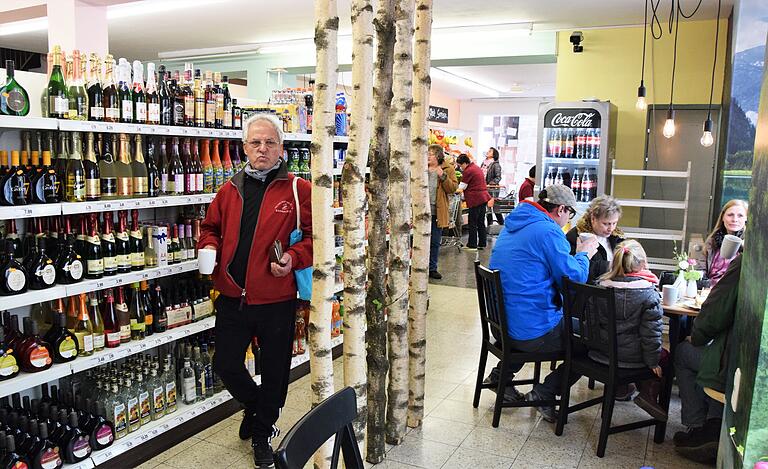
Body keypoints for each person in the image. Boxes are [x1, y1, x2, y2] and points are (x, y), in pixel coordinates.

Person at [198, 113, 313, 467]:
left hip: (276, 298)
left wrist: (293, 258)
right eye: (255, 143)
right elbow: (210, 228)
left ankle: (263, 430)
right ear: (245, 147)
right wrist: (210, 246)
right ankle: (255, 404)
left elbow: (315, 237)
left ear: (281, 148)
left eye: (270, 143)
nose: (262, 149)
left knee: (276, 371)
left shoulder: (298, 189)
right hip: (233, 295)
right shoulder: (228, 189)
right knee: (226, 364)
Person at [488, 184, 598, 422]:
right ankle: (545, 393)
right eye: (571, 213)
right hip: (528, 331)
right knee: (591, 341)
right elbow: (573, 278)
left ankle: (500, 378)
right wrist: (584, 254)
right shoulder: (548, 231)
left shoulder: (516, 224)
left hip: (502, 325)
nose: (570, 219)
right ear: (561, 209)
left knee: (536, 315)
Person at [673, 254, 741, 464]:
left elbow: (715, 311)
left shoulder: (747, 261)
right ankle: (715, 423)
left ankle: (701, 429)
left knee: (684, 352)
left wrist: (698, 336)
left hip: (736, 364)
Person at [595, 240, 667, 421]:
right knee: (665, 357)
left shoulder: (600, 287)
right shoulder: (649, 294)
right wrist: (653, 363)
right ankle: (648, 394)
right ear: (643, 264)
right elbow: (651, 334)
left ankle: (621, 388)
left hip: (600, 351)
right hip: (631, 357)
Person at [566, 196, 624, 284]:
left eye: (614, 223)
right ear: (593, 218)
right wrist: (613, 267)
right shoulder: (575, 237)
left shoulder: (617, 237)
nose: (611, 228)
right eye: (606, 224)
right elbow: (579, 271)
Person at [427, 144, 459, 280]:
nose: (427, 156)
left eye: (430, 154)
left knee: (434, 241)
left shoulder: (448, 169)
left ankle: (432, 268)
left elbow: (452, 188)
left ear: (438, 156)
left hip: (437, 211)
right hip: (420, 210)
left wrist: (443, 176)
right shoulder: (419, 168)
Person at [703, 199, 747, 287]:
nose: (734, 219)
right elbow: (701, 269)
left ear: (746, 218)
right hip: (710, 290)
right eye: (730, 215)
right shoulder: (713, 240)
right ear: (723, 217)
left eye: (740, 216)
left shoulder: (750, 243)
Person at [456, 153, 491, 250]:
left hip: (475, 199)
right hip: (483, 198)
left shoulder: (468, 171)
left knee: (473, 222)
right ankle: (482, 243)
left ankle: (472, 244)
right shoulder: (475, 167)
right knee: (480, 222)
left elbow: (462, 186)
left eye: (460, 165)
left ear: (464, 163)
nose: (460, 168)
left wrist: (454, 190)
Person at [483, 148, 505, 227]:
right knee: (488, 208)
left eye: (490, 151)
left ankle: (502, 224)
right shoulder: (484, 163)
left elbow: (498, 177)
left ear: (494, 154)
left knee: (495, 207)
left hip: (493, 189)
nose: (488, 152)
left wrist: (490, 184)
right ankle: (489, 225)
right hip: (485, 188)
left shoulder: (496, 164)